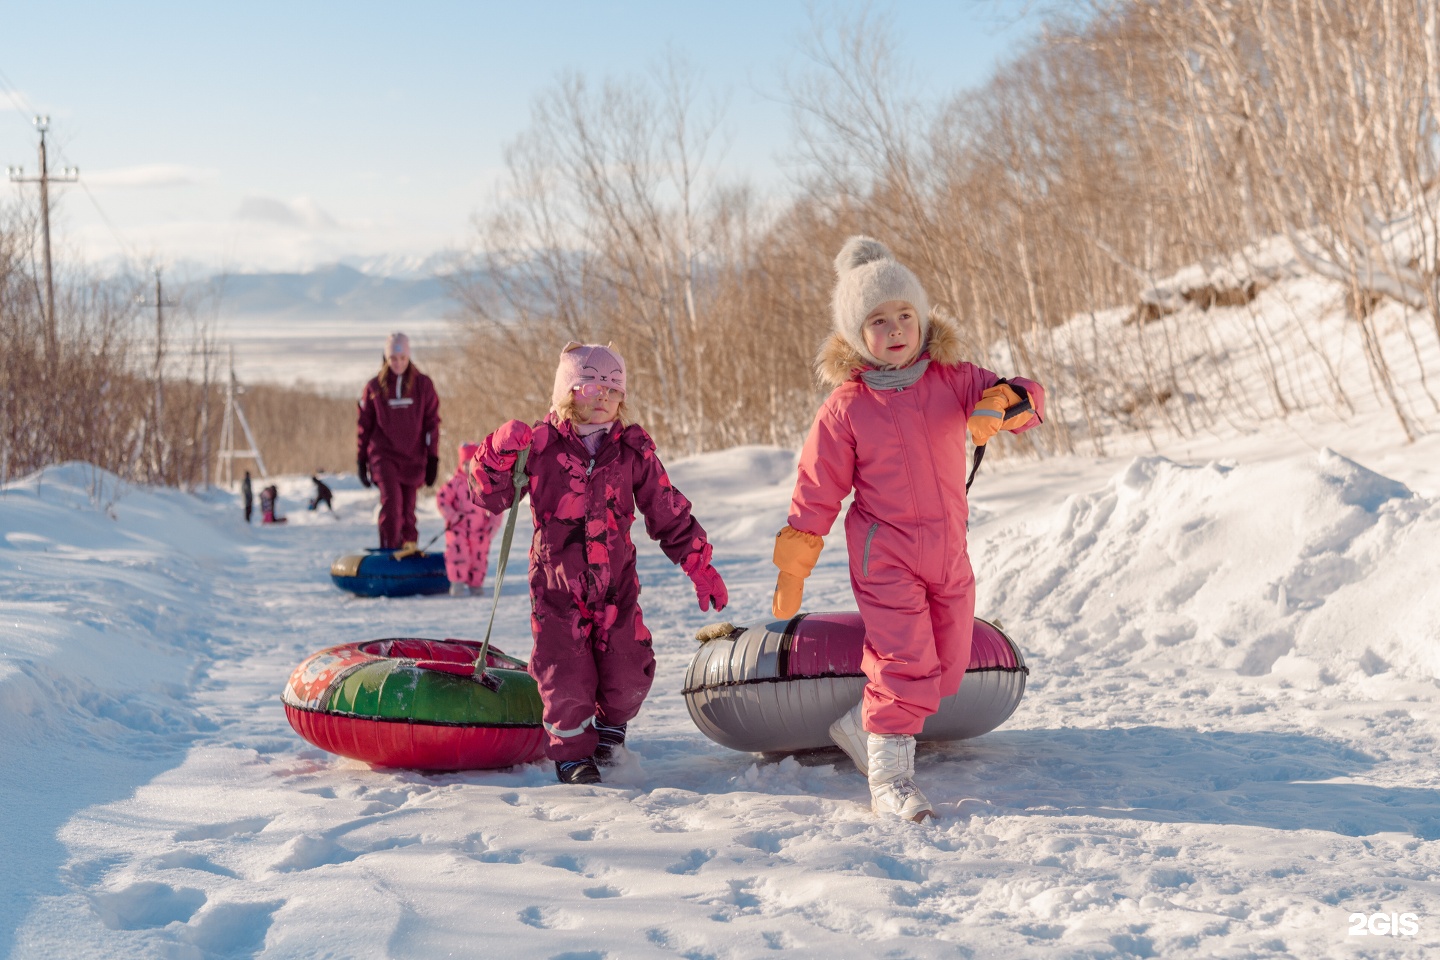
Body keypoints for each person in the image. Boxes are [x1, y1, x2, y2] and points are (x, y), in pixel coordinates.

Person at [772, 236, 1044, 822]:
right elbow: (817, 489)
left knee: (946, 670)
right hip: (884, 555)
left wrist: (1002, 403)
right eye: (878, 321)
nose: (895, 329)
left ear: (921, 320)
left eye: (905, 316)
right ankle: (889, 780)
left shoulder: (953, 379)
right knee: (907, 666)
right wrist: (795, 564)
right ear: (854, 335)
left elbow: (1027, 395)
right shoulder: (846, 408)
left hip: (948, 554)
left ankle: (856, 726)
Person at [471, 342, 729, 785]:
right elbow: (488, 496)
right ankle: (572, 754)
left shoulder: (632, 451)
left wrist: (698, 564)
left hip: (617, 586)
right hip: (557, 587)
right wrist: (495, 451)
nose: (605, 395)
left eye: (614, 388)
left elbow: (667, 510)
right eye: (592, 385)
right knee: (564, 671)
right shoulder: (541, 446)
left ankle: (611, 729)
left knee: (629, 667)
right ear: (568, 392)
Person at [356, 332, 441, 553]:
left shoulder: (423, 385)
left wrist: (433, 458)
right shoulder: (374, 387)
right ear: (386, 359)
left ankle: (408, 550)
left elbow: (432, 423)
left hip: (414, 458)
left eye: (402, 358)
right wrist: (361, 459)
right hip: (384, 456)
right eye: (393, 358)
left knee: (408, 511)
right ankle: (389, 551)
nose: (398, 363)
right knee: (392, 507)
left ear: (409, 358)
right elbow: (364, 426)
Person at [436, 442, 501, 596]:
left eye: (471, 464)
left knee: (478, 557)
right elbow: (442, 500)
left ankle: (475, 585)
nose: (468, 468)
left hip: (479, 530)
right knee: (458, 555)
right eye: (465, 464)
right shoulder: (455, 483)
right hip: (458, 528)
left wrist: (492, 525)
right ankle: (457, 584)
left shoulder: (484, 485)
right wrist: (452, 516)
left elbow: (496, 506)